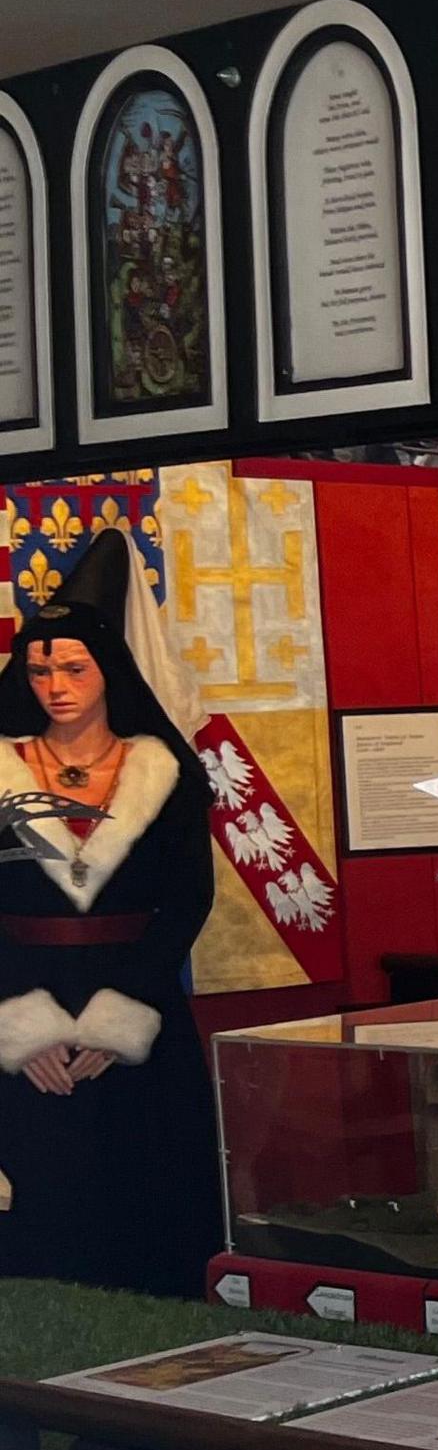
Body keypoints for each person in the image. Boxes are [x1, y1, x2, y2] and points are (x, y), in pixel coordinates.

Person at [0, 534, 223, 1299]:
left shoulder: (165, 771)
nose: (54, 685)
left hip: (143, 995)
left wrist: (120, 1015)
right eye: (38, 669)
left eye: (72, 667)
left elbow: (188, 899)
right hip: (20, 991)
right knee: (40, 1195)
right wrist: (19, 1023)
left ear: (108, 670)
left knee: (148, 1185)